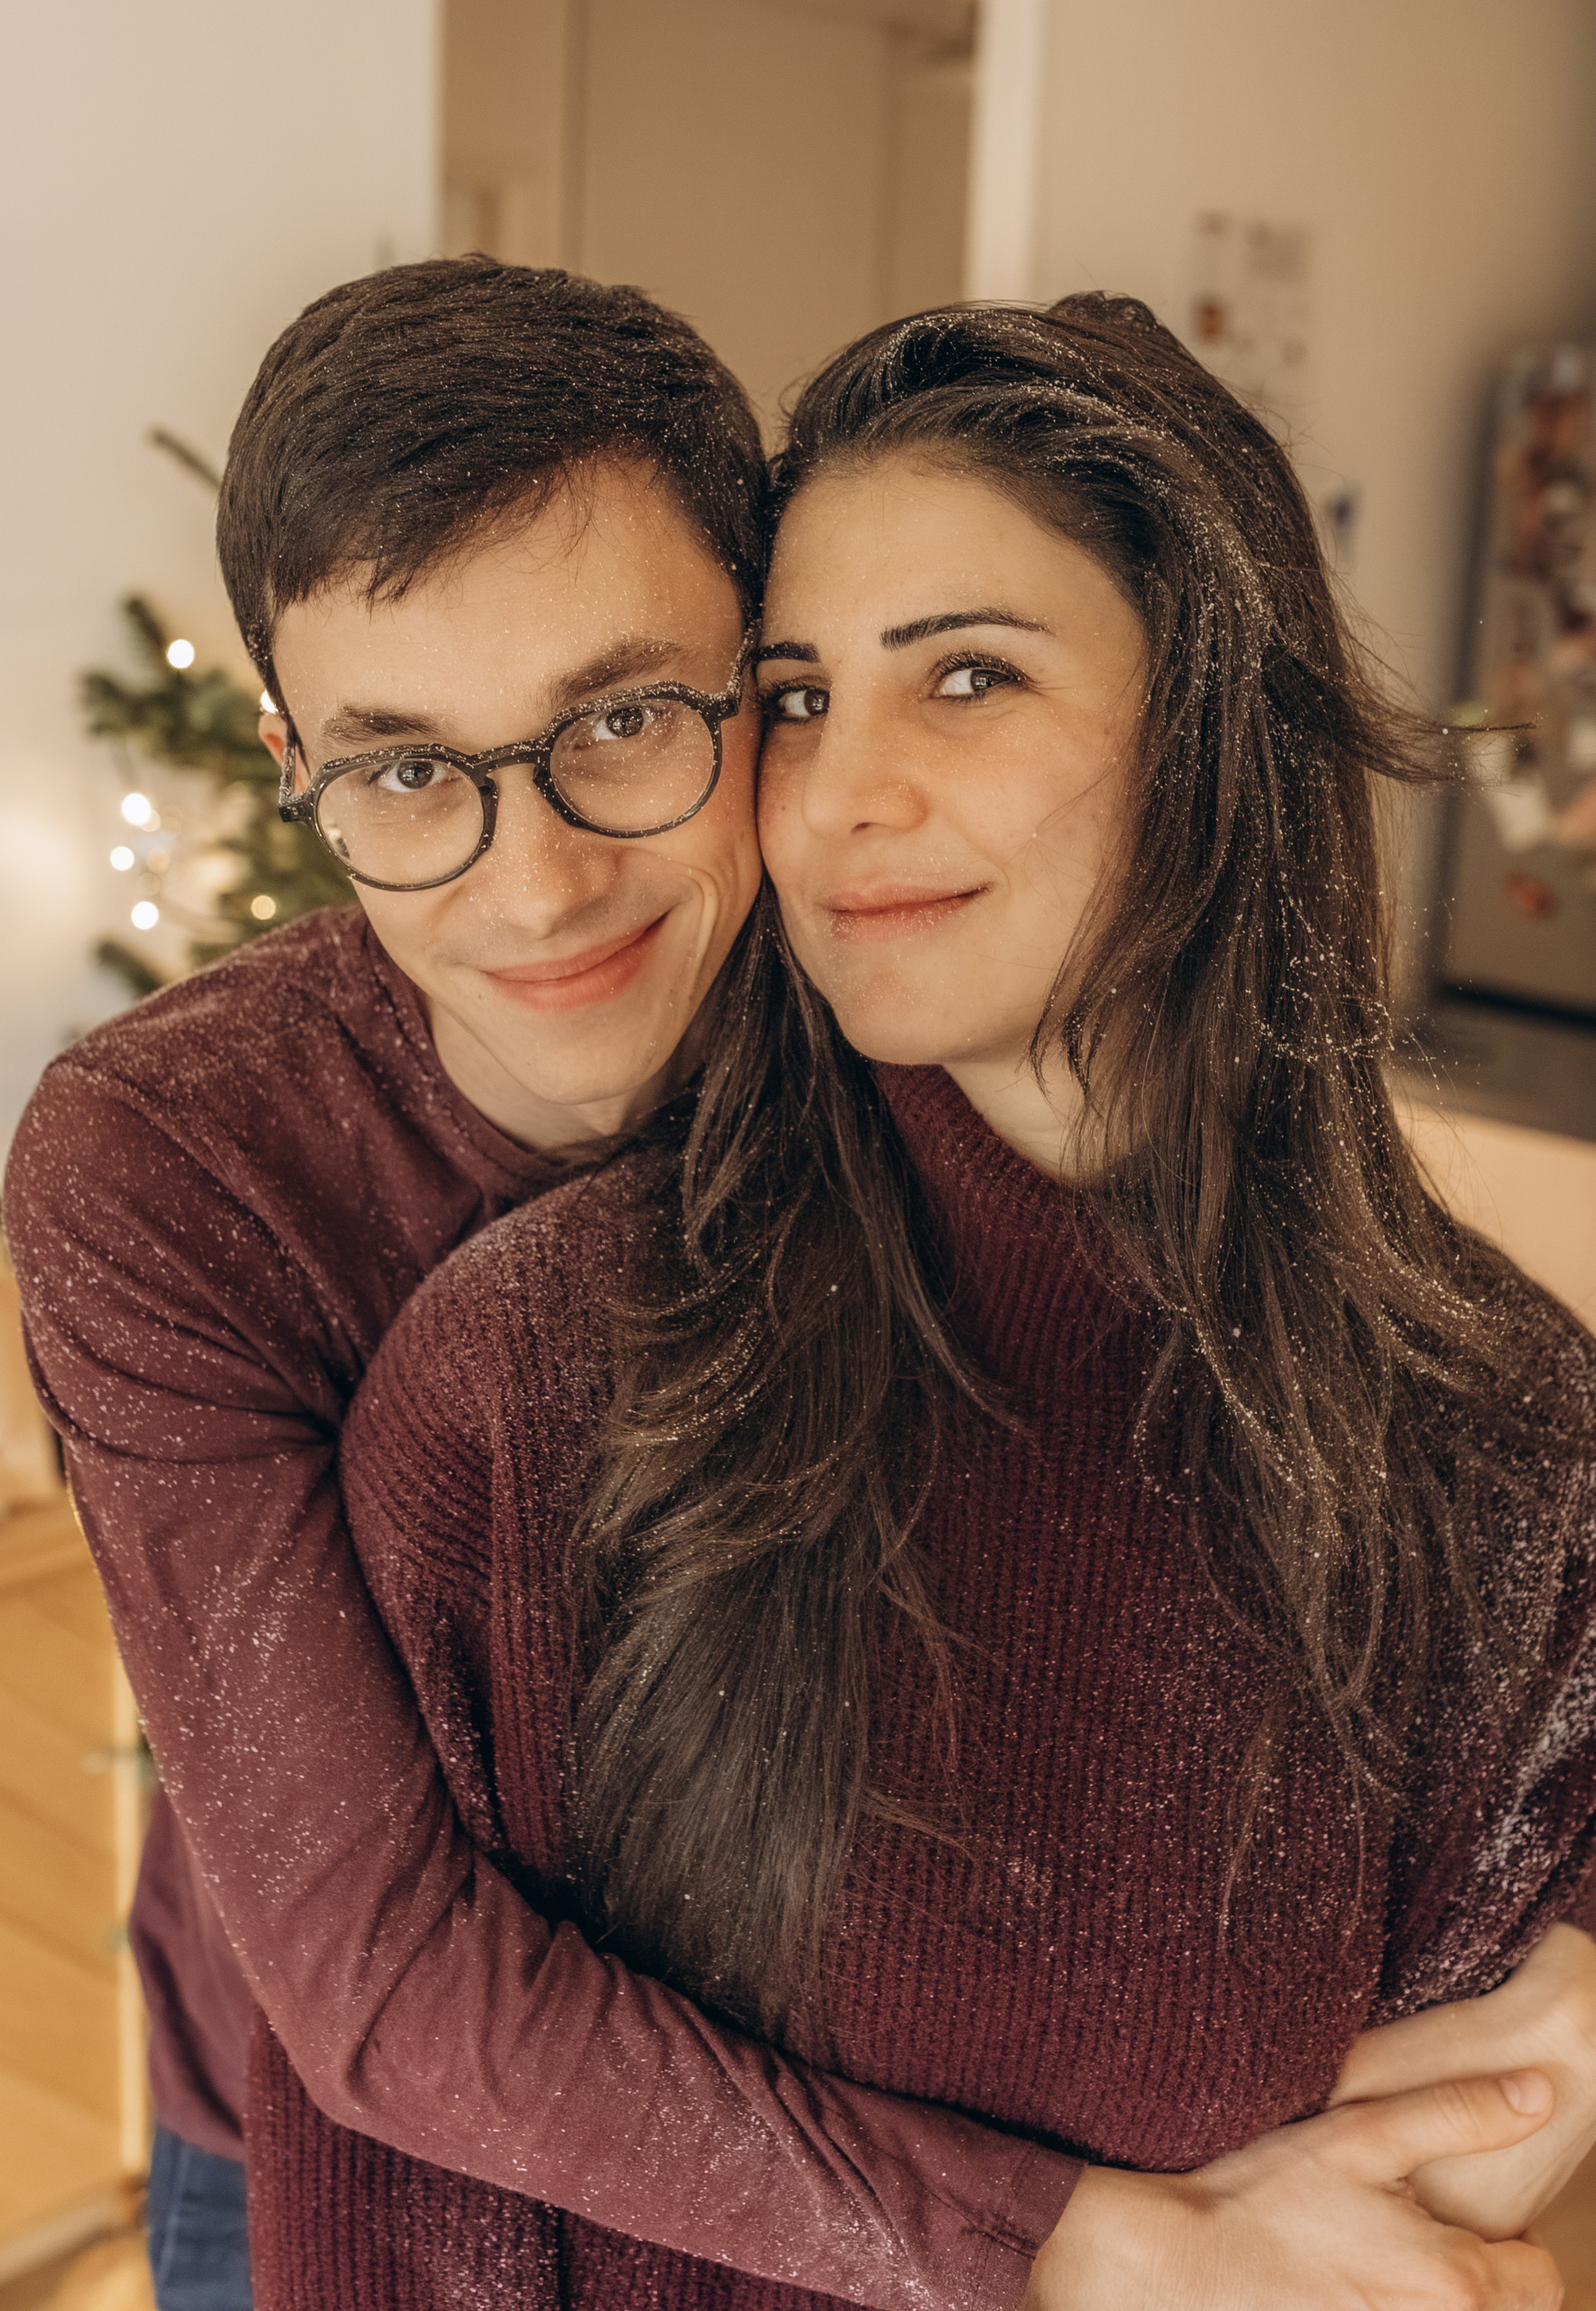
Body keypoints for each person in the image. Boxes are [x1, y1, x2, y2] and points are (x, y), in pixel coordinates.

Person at [239, 294, 1596, 2310]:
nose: (840, 796)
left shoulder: (1499, 1429)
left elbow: (1454, 2224)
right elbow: (393, 2176)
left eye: (967, 676)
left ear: (1210, 715)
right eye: (791, 699)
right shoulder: (542, 1378)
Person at [7, 260, 1079, 2311]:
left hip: (868, 2095)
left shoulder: (918, 1008)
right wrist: (1079, 2243)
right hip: (322, 2133)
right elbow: (379, 1973)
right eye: (406, 769)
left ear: (757, 675)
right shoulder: (168, 1164)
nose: (536, 883)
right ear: (291, 757)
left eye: (619, 720)